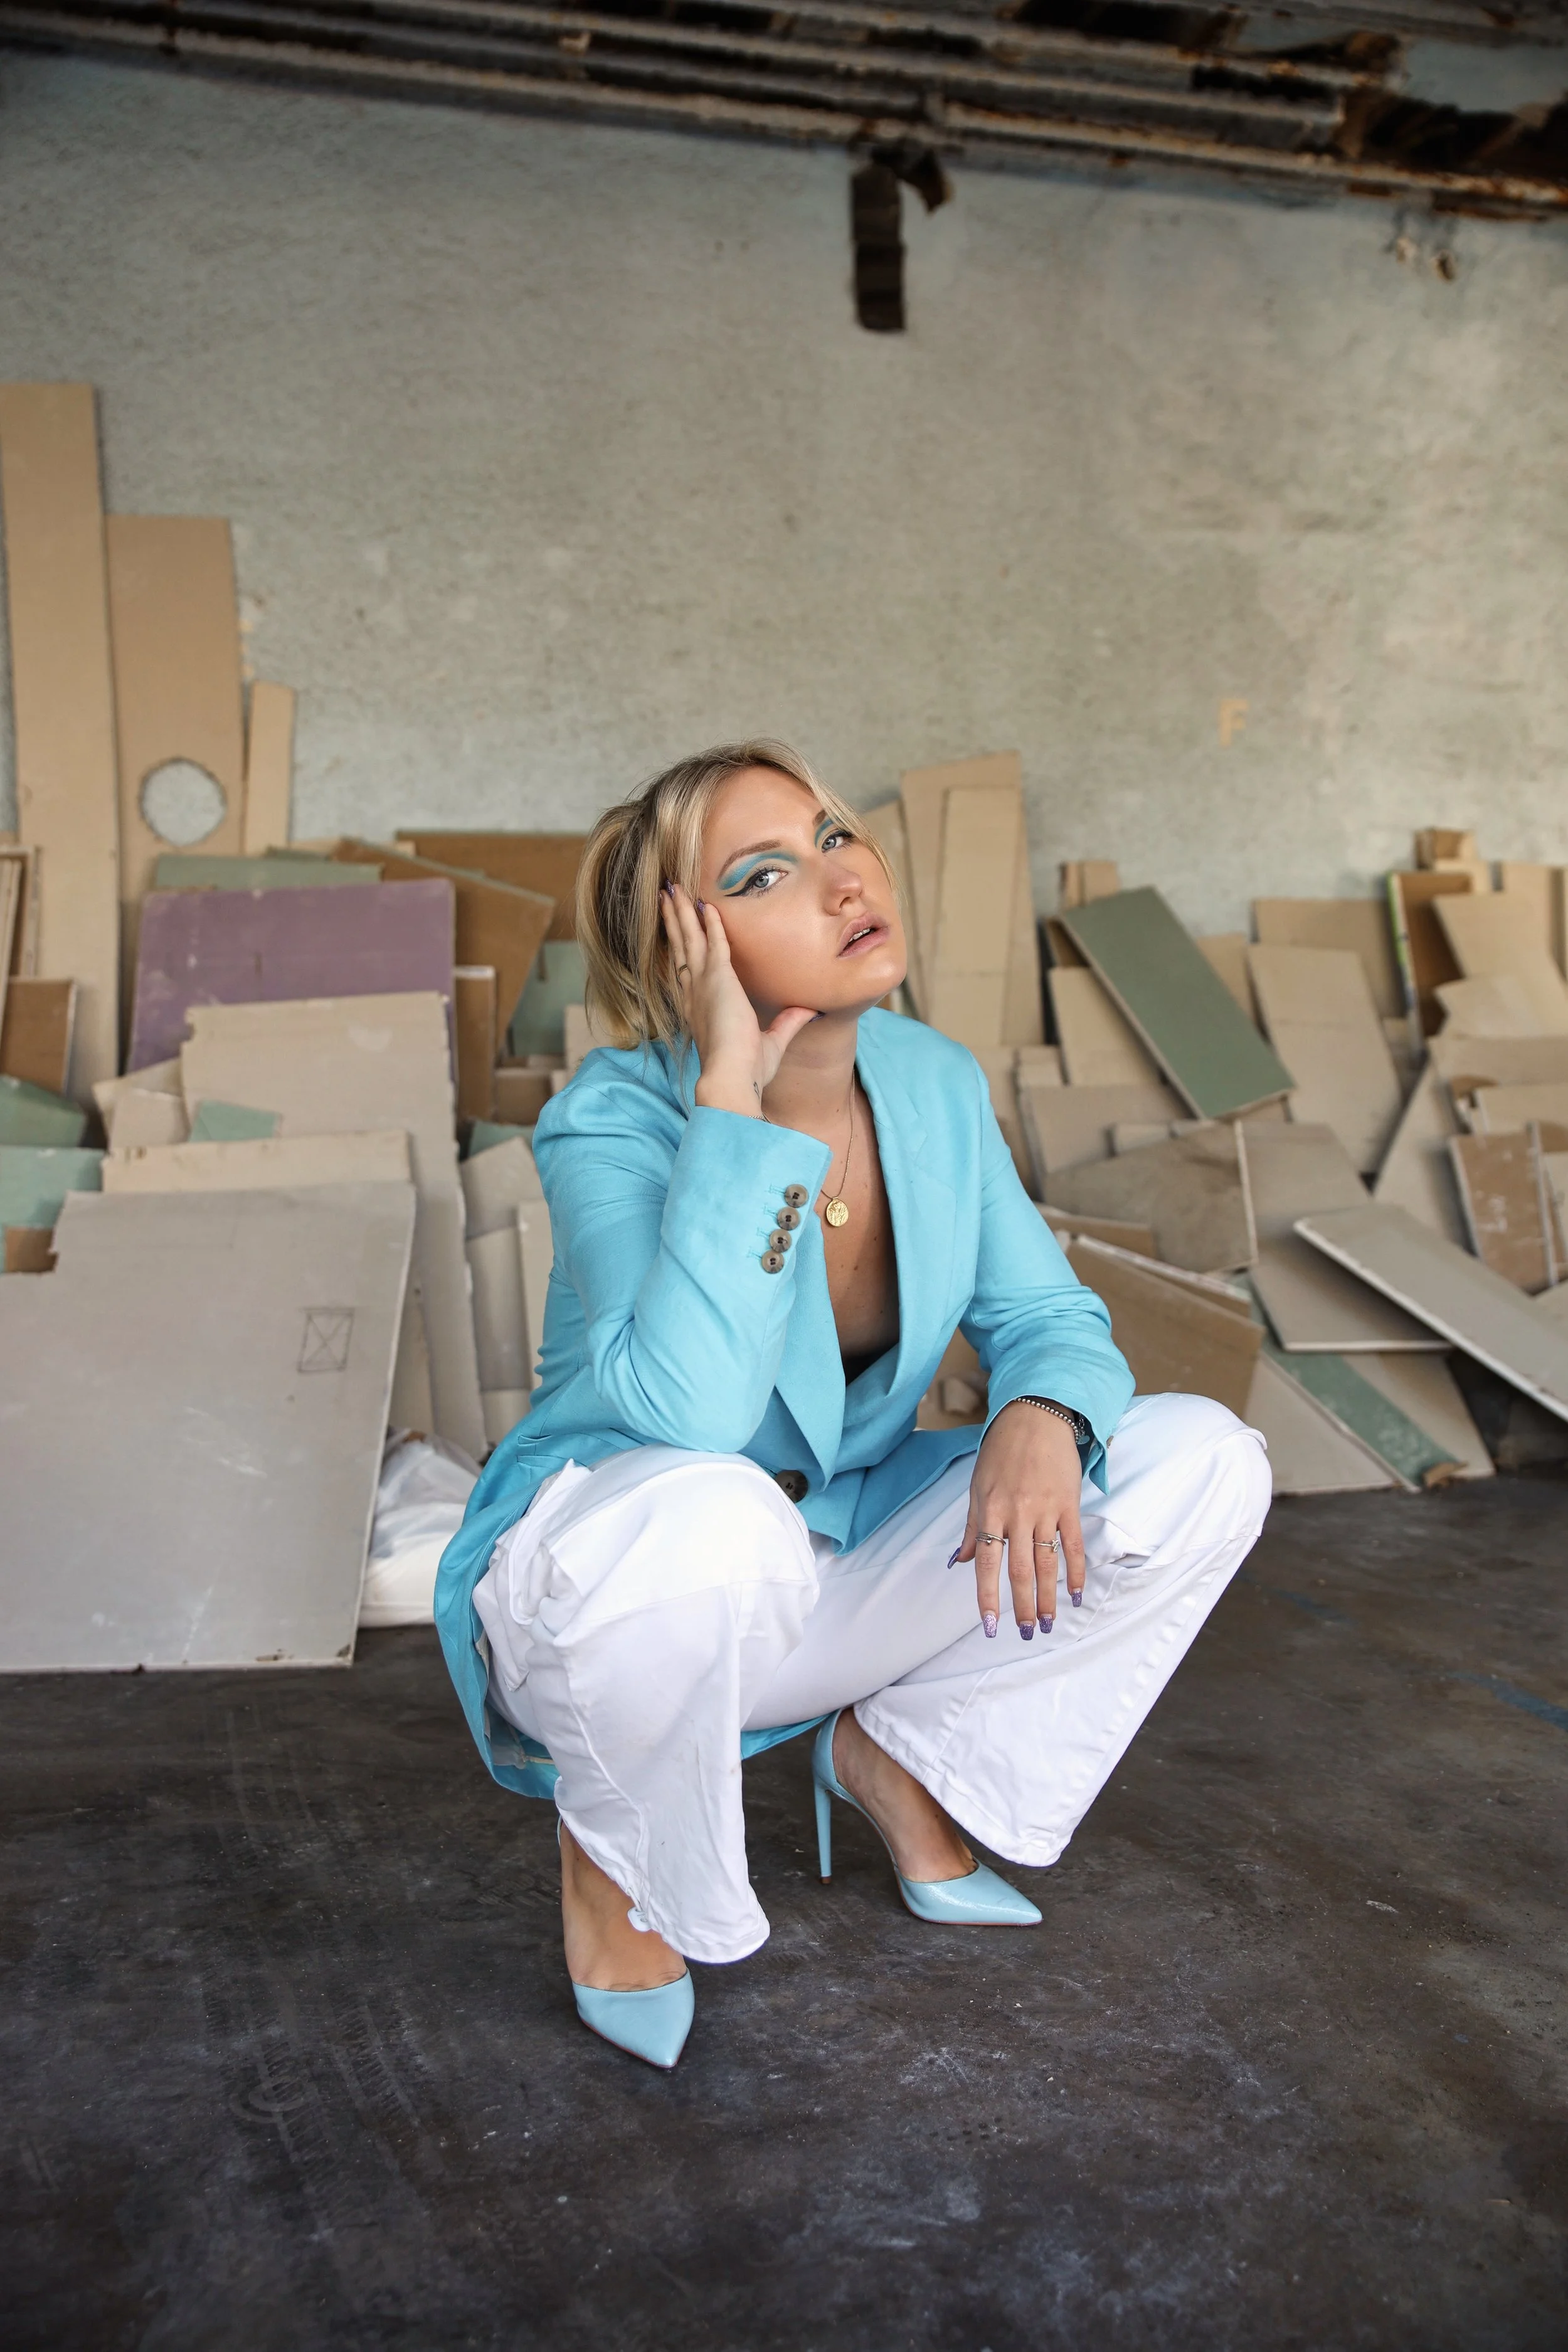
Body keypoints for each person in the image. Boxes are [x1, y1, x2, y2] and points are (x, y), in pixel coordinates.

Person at [435, 741, 1271, 2069]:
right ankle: (615, 1854)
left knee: (1197, 1460)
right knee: (716, 1512)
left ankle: (900, 1757)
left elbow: (1049, 1321)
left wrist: (1034, 1419)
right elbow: (693, 1416)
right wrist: (731, 1098)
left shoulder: (931, 1084)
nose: (839, 881)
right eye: (768, 872)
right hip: (610, 1596)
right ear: (682, 952)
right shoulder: (612, 1120)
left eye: (834, 834)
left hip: (821, 1573)